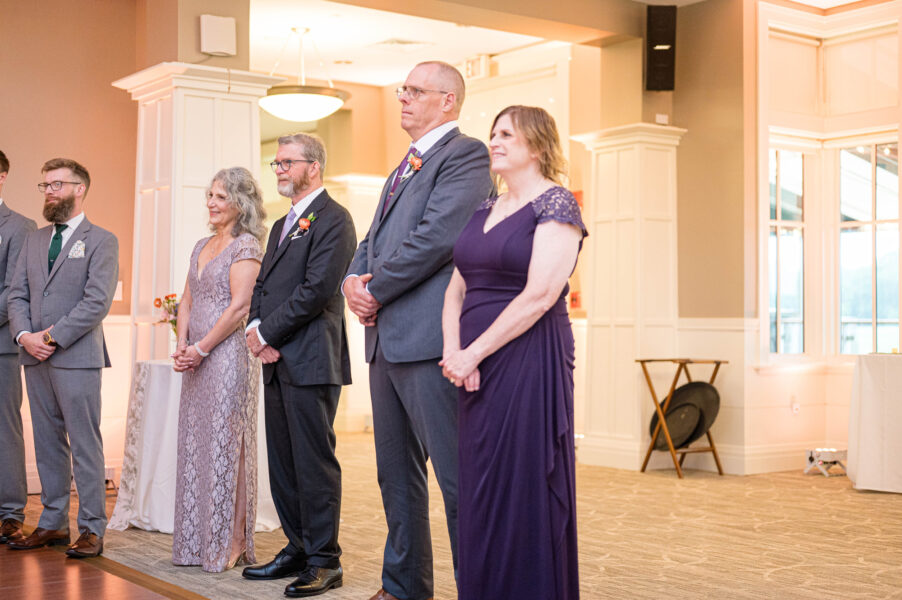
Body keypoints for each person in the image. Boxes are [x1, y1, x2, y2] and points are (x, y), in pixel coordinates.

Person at [343, 61, 493, 600]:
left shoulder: (466, 155)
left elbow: (437, 237)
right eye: (401, 90)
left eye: (414, 91)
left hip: (430, 340)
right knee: (395, 476)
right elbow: (372, 239)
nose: (402, 98)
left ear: (448, 100)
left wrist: (375, 290)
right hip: (385, 341)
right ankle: (404, 587)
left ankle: (478, 588)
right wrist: (351, 281)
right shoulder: (404, 165)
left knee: (456, 478)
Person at [440, 105, 587, 600]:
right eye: (493, 133)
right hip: (473, 365)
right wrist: (454, 353)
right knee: (480, 483)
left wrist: (474, 353)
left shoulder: (557, 204)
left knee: (521, 479)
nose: (495, 142)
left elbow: (540, 295)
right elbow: (455, 290)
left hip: (529, 358)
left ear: (538, 147)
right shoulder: (485, 207)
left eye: (507, 134)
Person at [241, 133, 356, 598]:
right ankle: (298, 547)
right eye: (277, 163)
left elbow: (317, 290)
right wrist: (254, 327)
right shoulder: (280, 225)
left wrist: (267, 333)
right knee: (284, 464)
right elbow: (263, 286)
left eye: (287, 162)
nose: (280, 170)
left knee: (314, 464)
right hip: (276, 360)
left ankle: (325, 561)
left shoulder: (335, 218)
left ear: (314, 166)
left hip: (311, 359)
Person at [7, 158, 119, 558]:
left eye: (57, 184)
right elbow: (16, 294)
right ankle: (53, 523)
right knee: (47, 442)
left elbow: (96, 302)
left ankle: (91, 528)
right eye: (45, 185)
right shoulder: (35, 240)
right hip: (34, 357)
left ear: (79, 188)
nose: (50, 191)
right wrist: (25, 336)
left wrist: (51, 337)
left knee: (85, 444)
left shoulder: (102, 240)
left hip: (77, 358)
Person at [170, 166, 266, 573]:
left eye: (220, 197)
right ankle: (196, 540)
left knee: (228, 445)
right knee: (196, 443)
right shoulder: (201, 244)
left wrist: (202, 348)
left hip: (228, 358)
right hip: (195, 357)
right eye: (210, 195)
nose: (211, 203)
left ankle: (234, 540)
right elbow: (187, 300)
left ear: (240, 204)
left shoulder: (247, 246)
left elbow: (240, 307)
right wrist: (182, 343)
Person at [0, 150, 37, 545]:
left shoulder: (20, 227)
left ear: (2, 176)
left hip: (1, 347)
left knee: (4, 429)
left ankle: (9, 513)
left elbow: (14, 290)